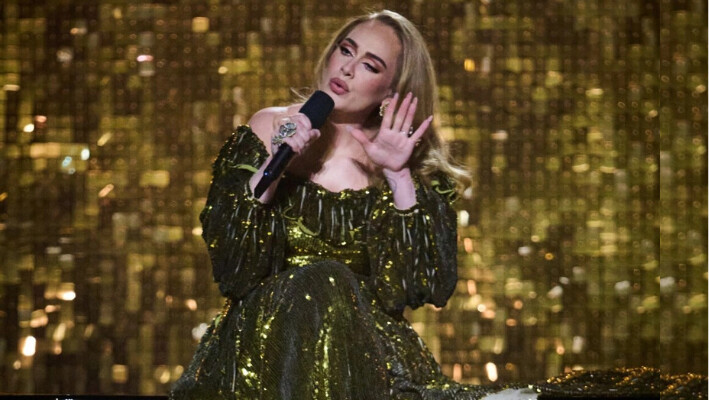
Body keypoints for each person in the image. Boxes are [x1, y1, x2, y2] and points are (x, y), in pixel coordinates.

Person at [171, 9, 702, 400]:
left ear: (390, 90)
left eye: (370, 64)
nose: (348, 68)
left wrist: (399, 176)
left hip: (368, 350)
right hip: (262, 347)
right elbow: (235, 270)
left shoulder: (403, 160)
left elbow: (415, 288)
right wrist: (280, 164)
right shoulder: (271, 127)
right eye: (346, 50)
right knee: (322, 278)